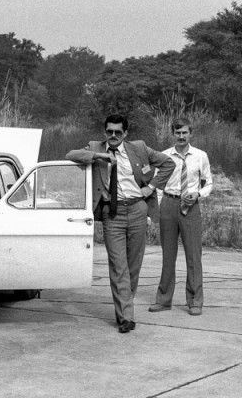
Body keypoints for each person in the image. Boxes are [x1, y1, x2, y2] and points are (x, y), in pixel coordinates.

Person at [66, 114, 175, 333]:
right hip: (111, 213)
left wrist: (151, 187)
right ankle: (127, 316)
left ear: (125, 133)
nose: (113, 136)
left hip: (137, 209)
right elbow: (71, 155)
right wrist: (98, 156)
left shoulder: (139, 148)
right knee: (118, 266)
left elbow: (168, 164)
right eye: (109, 131)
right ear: (104, 132)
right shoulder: (95, 147)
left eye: (118, 132)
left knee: (133, 266)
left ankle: (124, 308)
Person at [149, 118, 213, 316]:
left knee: (194, 256)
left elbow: (209, 183)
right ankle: (163, 299)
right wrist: (158, 210)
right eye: (178, 133)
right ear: (173, 134)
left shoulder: (200, 156)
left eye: (185, 132)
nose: (181, 136)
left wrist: (198, 194)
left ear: (190, 134)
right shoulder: (164, 156)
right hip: (169, 203)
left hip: (190, 206)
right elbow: (157, 184)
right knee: (168, 255)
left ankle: (195, 301)